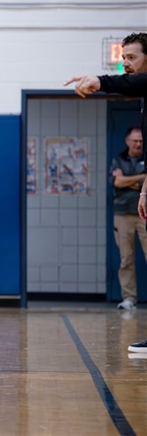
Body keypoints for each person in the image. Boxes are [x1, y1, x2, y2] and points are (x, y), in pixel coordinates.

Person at [65, 32, 147, 350]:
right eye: (123, 58)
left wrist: (100, 80)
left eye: (132, 57)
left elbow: (128, 83)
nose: (125, 63)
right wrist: (143, 191)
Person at [110, 127, 146, 310]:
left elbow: (125, 182)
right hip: (123, 214)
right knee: (126, 258)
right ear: (127, 141)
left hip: (144, 215)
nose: (138, 144)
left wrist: (127, 181)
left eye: (141, 141)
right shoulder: (118, 159)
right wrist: (141, 179)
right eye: (135, 140)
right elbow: (116, 182)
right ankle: (129, 298)